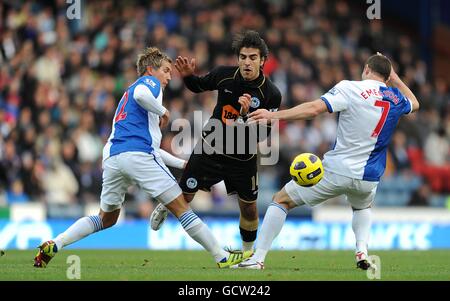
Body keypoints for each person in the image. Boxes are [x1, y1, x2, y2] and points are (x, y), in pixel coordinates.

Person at [33, 47, 251, 269]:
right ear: (150, 70)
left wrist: (182, 163)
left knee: (105, 218)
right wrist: (164, 111)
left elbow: (154, 149)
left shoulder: (128, 101)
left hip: (113, 158)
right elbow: (142, 96)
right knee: (181, 205)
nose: (168, 76)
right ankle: (221, 256)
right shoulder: (148, 84)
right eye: (166, 70)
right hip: (137, 155)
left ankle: (56, 243)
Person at [236, 53, 420, 270]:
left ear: (367, 70)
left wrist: (273, 115)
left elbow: (314, 109)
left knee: (281, 199)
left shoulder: (350, 88)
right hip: (369, 177)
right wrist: (395, 78)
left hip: (338, 170)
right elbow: (415, 103)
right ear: (387, 76)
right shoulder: (395, 97)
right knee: (362, 207)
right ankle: (362, 251)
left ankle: (257, 258)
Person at [150, 30, 282, 253]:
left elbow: (264, 134)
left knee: (249, 209)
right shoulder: (224, 75)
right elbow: (198, 85)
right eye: (243, 57)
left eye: (252, 58)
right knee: (186, 197)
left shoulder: (271, 94)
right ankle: (165, 206)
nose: (247, 62)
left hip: (243, 156)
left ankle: (248, 255)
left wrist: (246, 116)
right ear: (238, 58)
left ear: (262, 61)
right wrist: (188, 77)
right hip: (210, 147)